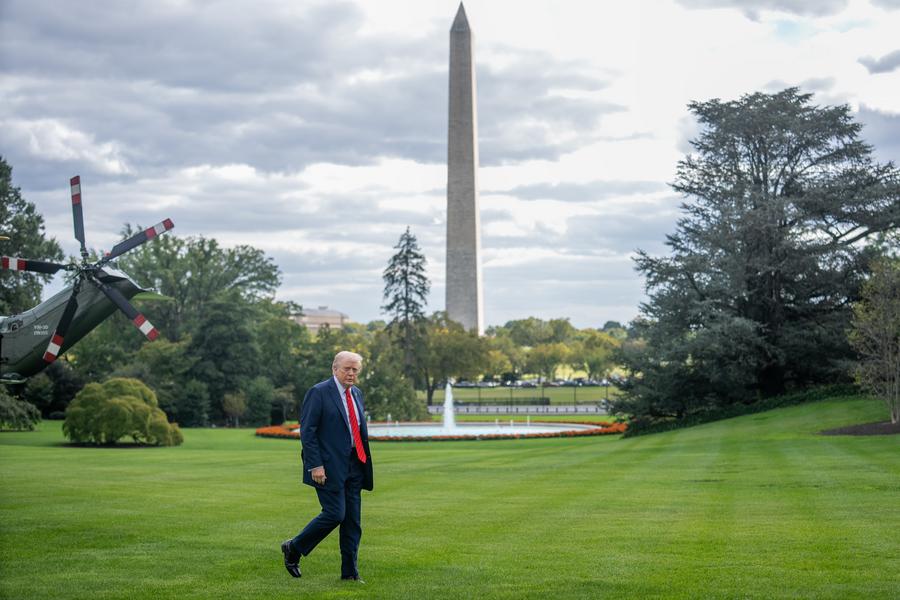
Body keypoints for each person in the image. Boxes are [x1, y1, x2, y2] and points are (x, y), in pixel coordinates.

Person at [281, 351, 374, 582]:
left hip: (355, 464)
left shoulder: (357, 394)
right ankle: (294, 547)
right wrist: (315, 465)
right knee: (335, 514)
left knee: (352, 522)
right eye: (347, 369)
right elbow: (308, 431)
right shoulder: (319, 392)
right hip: (327, 467)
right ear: (335, 369)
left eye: (355, 369)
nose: (351, 373)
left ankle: (350, 574)